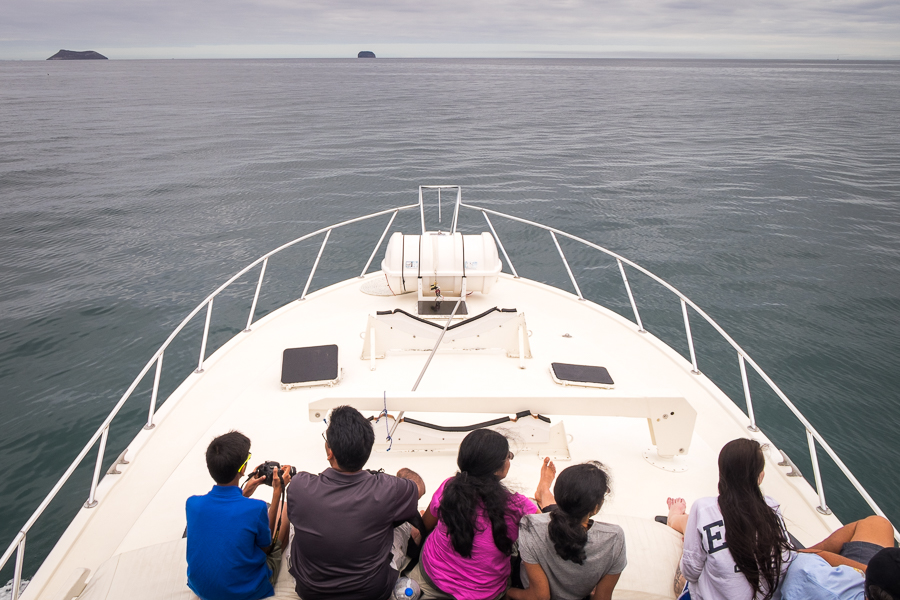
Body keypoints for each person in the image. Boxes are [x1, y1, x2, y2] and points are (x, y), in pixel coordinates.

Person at [286, 405, 425, 600]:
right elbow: (419, 488)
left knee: (293, 516)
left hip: (310, 592)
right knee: (402, 524)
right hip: (373, 592)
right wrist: (402, 475)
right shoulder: (389, 489)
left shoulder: (299, 486)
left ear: (330, 452)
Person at [408, 428, 544, 600]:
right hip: (484, 593)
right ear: (496, 469)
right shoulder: (519, 507)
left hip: (432, 577)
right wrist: (545, 496)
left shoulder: (449, 487)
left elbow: (426, 525)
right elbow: (546, 533)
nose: (509, 460)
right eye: (508, 456)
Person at [666, 438, 793, 600]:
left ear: (722, 474)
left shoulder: (704, 508)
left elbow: (690, 573)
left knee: (695, 535)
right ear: (760, 477)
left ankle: (675, 518)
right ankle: (680, 521)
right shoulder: (772, 508)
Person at [186, 431, 292, 600]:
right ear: (243, 469)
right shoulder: (255, 508)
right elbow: (266, 548)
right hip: (245, 592)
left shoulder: (192, 504)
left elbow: (225, 514)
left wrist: (245, 492)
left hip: (202, 589)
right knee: (284, 509)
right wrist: (277, 491)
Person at [509, 460, 626, 600]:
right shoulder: (614, 538)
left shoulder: (530, 526)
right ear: (595, 507)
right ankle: (544, 491)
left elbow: (539, 596)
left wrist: (506, 591)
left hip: (529, 589)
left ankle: (544, 492)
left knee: (541, 513)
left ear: (558, 497)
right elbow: (602, 597)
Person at [772, 516, 895, 600]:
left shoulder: (816, 581)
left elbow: (797, 563)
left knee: (873, 524)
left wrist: (818, 553)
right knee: (879, 524)